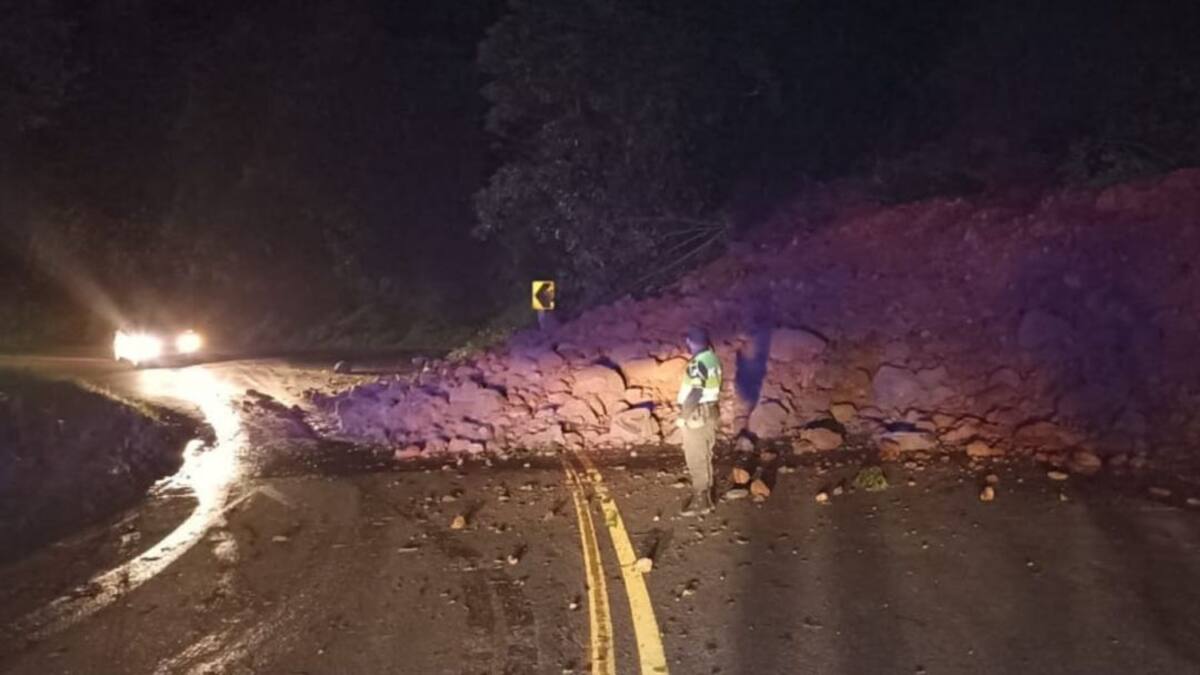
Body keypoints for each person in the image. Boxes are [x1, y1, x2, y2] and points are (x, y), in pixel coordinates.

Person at [675, 326, 723, 515]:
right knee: (706, 453)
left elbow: (696, 391)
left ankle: (701, 498)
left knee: (695, 456)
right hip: (711, 411)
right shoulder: (713, 359)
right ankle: (708, 498)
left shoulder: (697, 363)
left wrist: (683, 417)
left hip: (697, 414)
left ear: (692, 342)